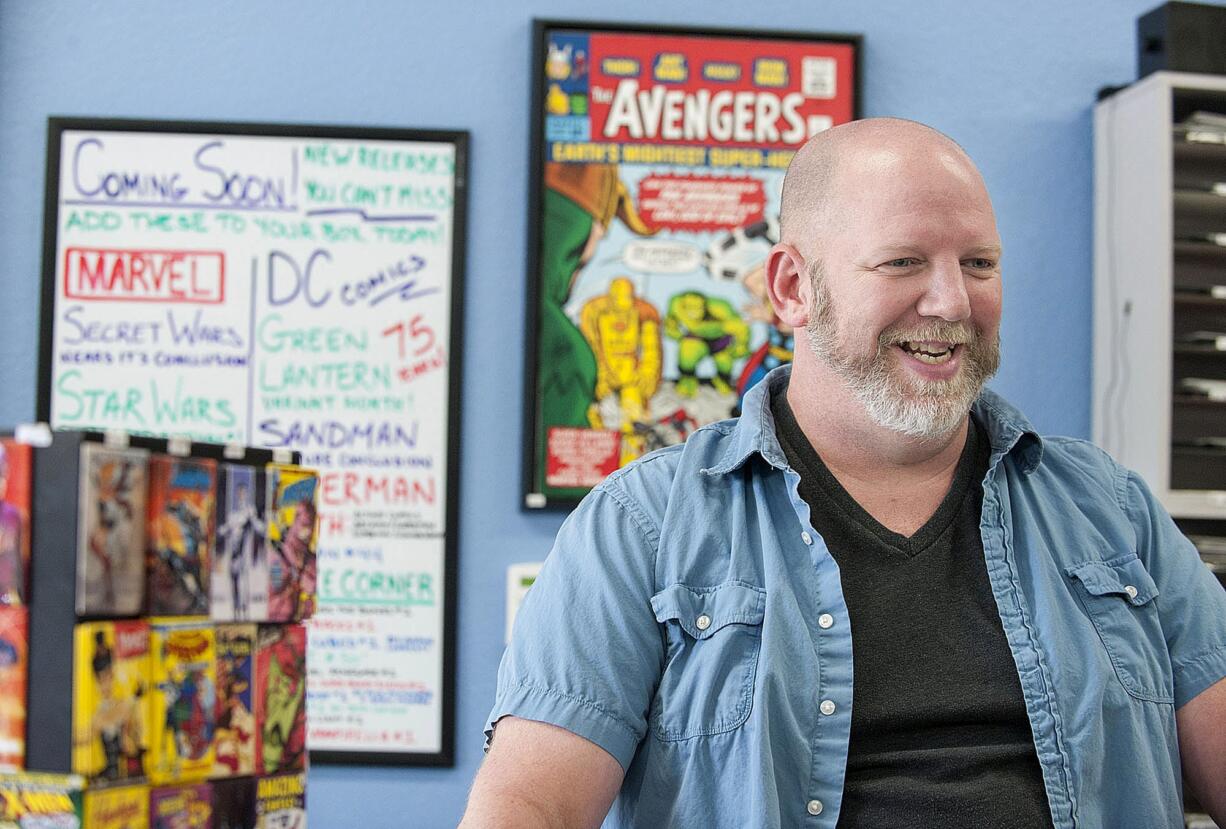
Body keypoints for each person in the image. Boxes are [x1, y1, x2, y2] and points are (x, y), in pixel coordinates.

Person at [462, 119, 1226, 828]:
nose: (952, 300)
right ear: (793, 287)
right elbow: (531, 805)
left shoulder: (1110, 510)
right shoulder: (642, 527)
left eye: (979, 263)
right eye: (903, 262)